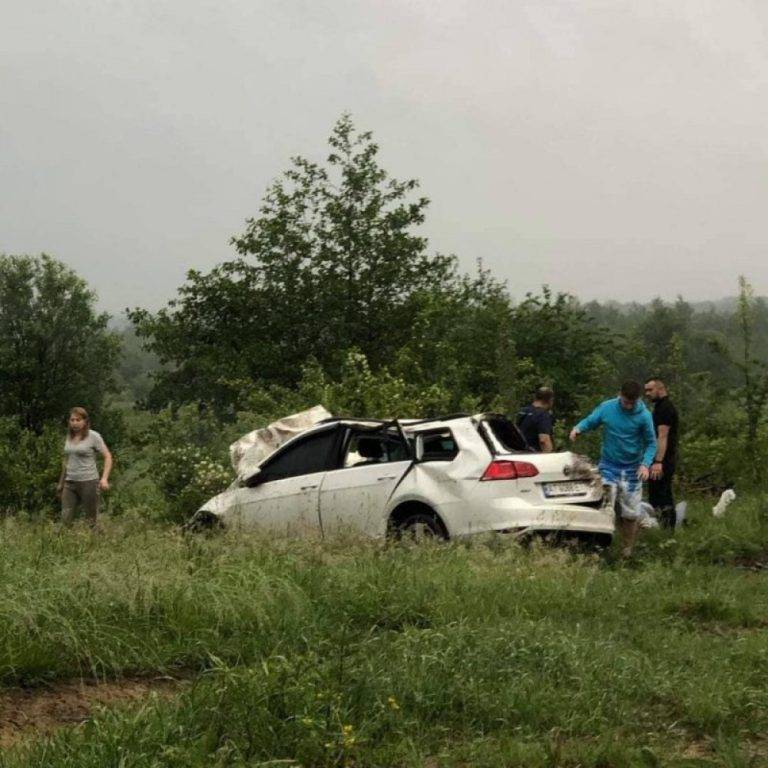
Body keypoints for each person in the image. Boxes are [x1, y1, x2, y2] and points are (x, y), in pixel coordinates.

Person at [569, 380, 656, 557]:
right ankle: (600, 547)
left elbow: (651, 444)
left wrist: (645, 464)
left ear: (638, 400)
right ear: (620, 395)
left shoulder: (644, 416)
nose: (629, 406)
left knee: (630, 513)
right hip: (609, 466)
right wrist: (578, 428)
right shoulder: (607, 407)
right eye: (625, 402)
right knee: (605, 505)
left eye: (632, 403)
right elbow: (592, 420)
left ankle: (627, 550)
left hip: (632, 471)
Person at [56, 407, 112, 528]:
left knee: (91, 520)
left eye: (78, 420)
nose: (75, 423)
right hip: (70, 482)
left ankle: (96, 542)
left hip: (88, 481)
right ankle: (66, 544)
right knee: (65, 518)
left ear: (85, 421)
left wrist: (104, 478)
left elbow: (107, 456)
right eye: (72, 420)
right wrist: (61, 483)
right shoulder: (69, 437)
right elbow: (67, 461)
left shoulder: (93, 436)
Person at [644, 377, 679, 529]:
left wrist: (658, 462)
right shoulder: (659, 407)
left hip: (662, 461)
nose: (647, 393)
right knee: (656, 494)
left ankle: (668, 529)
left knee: (663, 495)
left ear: (660, 389)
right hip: (660, 459)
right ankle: (660, 527)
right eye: (646, 390)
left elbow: (662, 436)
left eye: (650, 390)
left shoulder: (665, 408)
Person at [516, 386, 555, 452]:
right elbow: (544, 440)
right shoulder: (543, 415)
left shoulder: (523, 411)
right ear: (550, 400)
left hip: (519, 453)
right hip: (534, 455)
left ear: (535, 397)